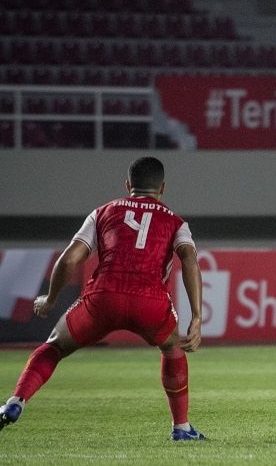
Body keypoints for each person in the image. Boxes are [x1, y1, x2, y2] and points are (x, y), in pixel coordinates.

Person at [0, 157, 206, 439]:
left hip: (103, 298)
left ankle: (15, 401)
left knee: (54, 347)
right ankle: (181, 428)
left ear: (127, 185)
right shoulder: (175, 221)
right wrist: (196, 316)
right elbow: (190, 260)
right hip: (150, 302)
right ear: (163, 188)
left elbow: (71, 257)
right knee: (172, 349)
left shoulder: (103, 212)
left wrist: (50, 299)